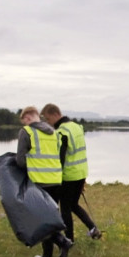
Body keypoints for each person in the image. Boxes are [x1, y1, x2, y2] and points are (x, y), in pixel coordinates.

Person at [15, 106, 74, 257]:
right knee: (48, 217)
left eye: (24, 121)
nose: (24, 124)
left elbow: (20, 161)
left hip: (39, 181)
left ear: (27, 117)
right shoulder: (53, 132)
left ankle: (63, 242)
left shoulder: (26, 132)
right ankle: (47, 254)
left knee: (39, 220)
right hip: (55, 179)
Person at [40, 103, 103, 244]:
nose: (48, 123)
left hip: (69, 175)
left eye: (48, 119)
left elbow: (60, 159)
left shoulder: (61, 132)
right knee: (73, 204)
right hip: (81, 172)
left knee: (65, 209)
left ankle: (69, 240)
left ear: (55, 114)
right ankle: (93, 228)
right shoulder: (76, 127)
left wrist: (53, 177)